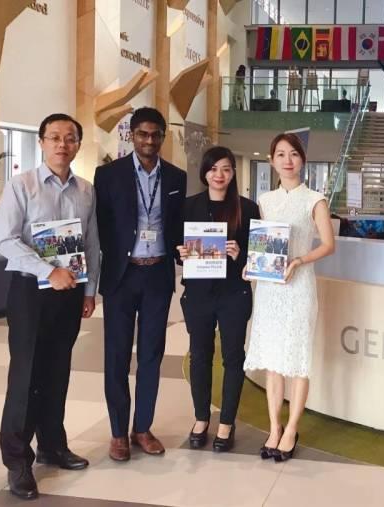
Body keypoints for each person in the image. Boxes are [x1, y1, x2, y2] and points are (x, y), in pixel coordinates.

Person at [0, 113, 99, 500]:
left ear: (78, 145)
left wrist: (89, 291)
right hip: (29, 293)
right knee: (26, 375)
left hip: (69, 294)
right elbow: (5, 240)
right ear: (41, 142)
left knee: (57, 372)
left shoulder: (85, 190)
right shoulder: (21, 186)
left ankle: (52, 445)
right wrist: (47, 271)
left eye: (70, 138)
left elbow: (91, 244)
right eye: (54, 137)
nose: (62, 144)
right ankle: (17, 460)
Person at [94, 107, 187, 462]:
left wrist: (191, 252)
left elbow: (178, 226)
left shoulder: (176, 177)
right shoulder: (108, 175)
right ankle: (118, 432)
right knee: (116, 355)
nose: (149, 140)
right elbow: (100, 225)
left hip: (158, 276)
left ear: (163, 136)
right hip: (122, 275)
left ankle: (143, 428)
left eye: (155, 134)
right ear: (131, 135)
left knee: (151, 355)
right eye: (143, 134)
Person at [243, 133, 335, 462]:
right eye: (280, 154)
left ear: (302, 160)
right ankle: (274, 427)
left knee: (296, 362)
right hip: (270, 290)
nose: (287, 160)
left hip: (299, 287)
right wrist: (252, 265)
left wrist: (299, 260)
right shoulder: (264, 201)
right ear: (271, 160)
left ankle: (292, 428)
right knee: (273, 362)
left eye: (293, 154)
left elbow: (328, 244)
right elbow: (263, 244)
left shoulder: (315, 200)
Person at [176, 146, 261, 452]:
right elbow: (178, 249)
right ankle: (201, 418)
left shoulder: (247, 208)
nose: (219, 175)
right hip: (198, 293)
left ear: (233, 173)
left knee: (233, 357)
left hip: (233, 294)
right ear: (205, 173)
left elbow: (258, 257)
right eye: (213, 169)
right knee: (199, 355)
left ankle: (226, 422)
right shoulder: (189, 206)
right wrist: (181, 253)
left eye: (226, 168)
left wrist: (241, 255)